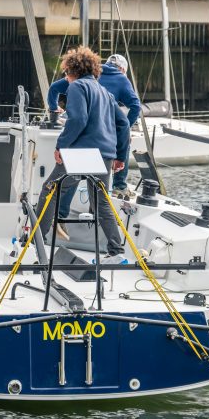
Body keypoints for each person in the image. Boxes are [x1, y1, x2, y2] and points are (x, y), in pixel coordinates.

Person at [35, 47, 130, 262]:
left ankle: (36, 244)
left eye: (65, 73)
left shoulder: (77, 86)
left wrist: (61, 146)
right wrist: (120, 157)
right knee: (101, 202)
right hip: (105, 156)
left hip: (82, 154)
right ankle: (116, 252)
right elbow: (123, 123)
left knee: (50, 191)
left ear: (71, 70)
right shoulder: (104, 92)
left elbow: (78, 120)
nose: (65, 78)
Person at [47, 53, 141, 224]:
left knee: (67, 180)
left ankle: (59, 217)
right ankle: (118, 188)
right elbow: (135, 107)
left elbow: (54, 88)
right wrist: (124, 131)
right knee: (100, 193)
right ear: (122, 69)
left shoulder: (81, 79)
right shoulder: (120, 79)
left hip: (80, 138)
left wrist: (54, 110)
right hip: (104, 140)